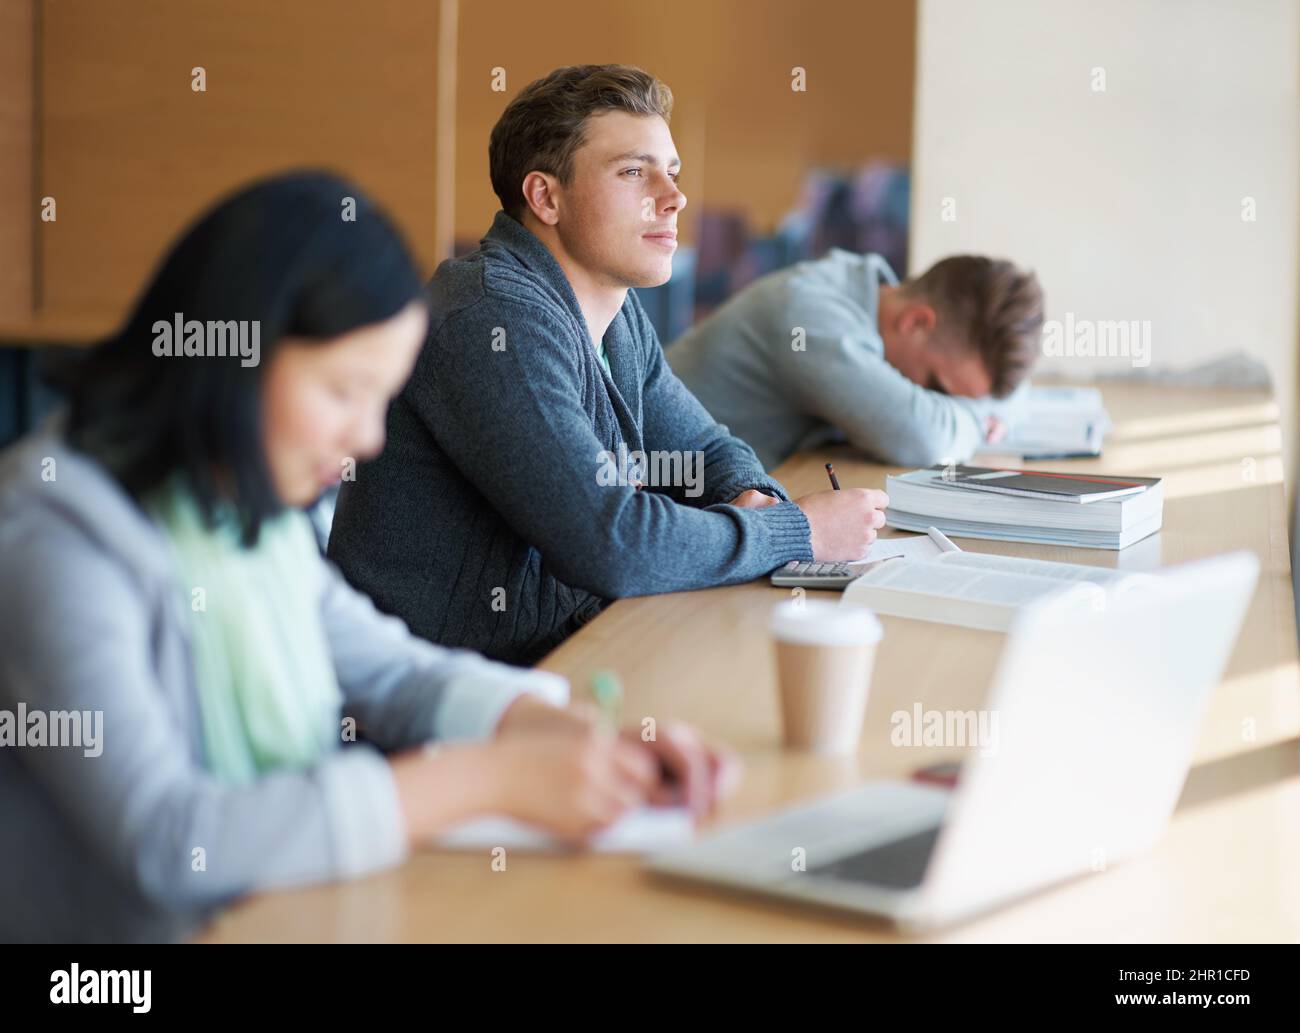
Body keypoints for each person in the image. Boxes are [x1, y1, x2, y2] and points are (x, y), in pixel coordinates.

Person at [0, 173, 733, 943]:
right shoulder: (53, 541)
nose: (369, 438)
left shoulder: (238, 498)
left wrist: (564, 730)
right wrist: (487, 776)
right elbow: (170, 837)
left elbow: (386, 669)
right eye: (344, 390)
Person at [328, 65, 888, 666]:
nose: (674, 197)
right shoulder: (491, 319)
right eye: (634, 172)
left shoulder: (615, 312)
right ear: (546, 198)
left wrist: (755, 500)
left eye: (672, 172)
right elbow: (611, 542)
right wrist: (796, 531)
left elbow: (703, 452)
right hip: (448, 694)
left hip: (567, 654)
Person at [668, 251, 1044, 470]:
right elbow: (923, 437)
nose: (940, 400)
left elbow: (1017, 393)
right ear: (916, 323)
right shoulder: (810, 320)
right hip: (663, 492)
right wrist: (978, 423)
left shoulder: (870, 293)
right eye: (938, 387)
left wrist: (979, 409)